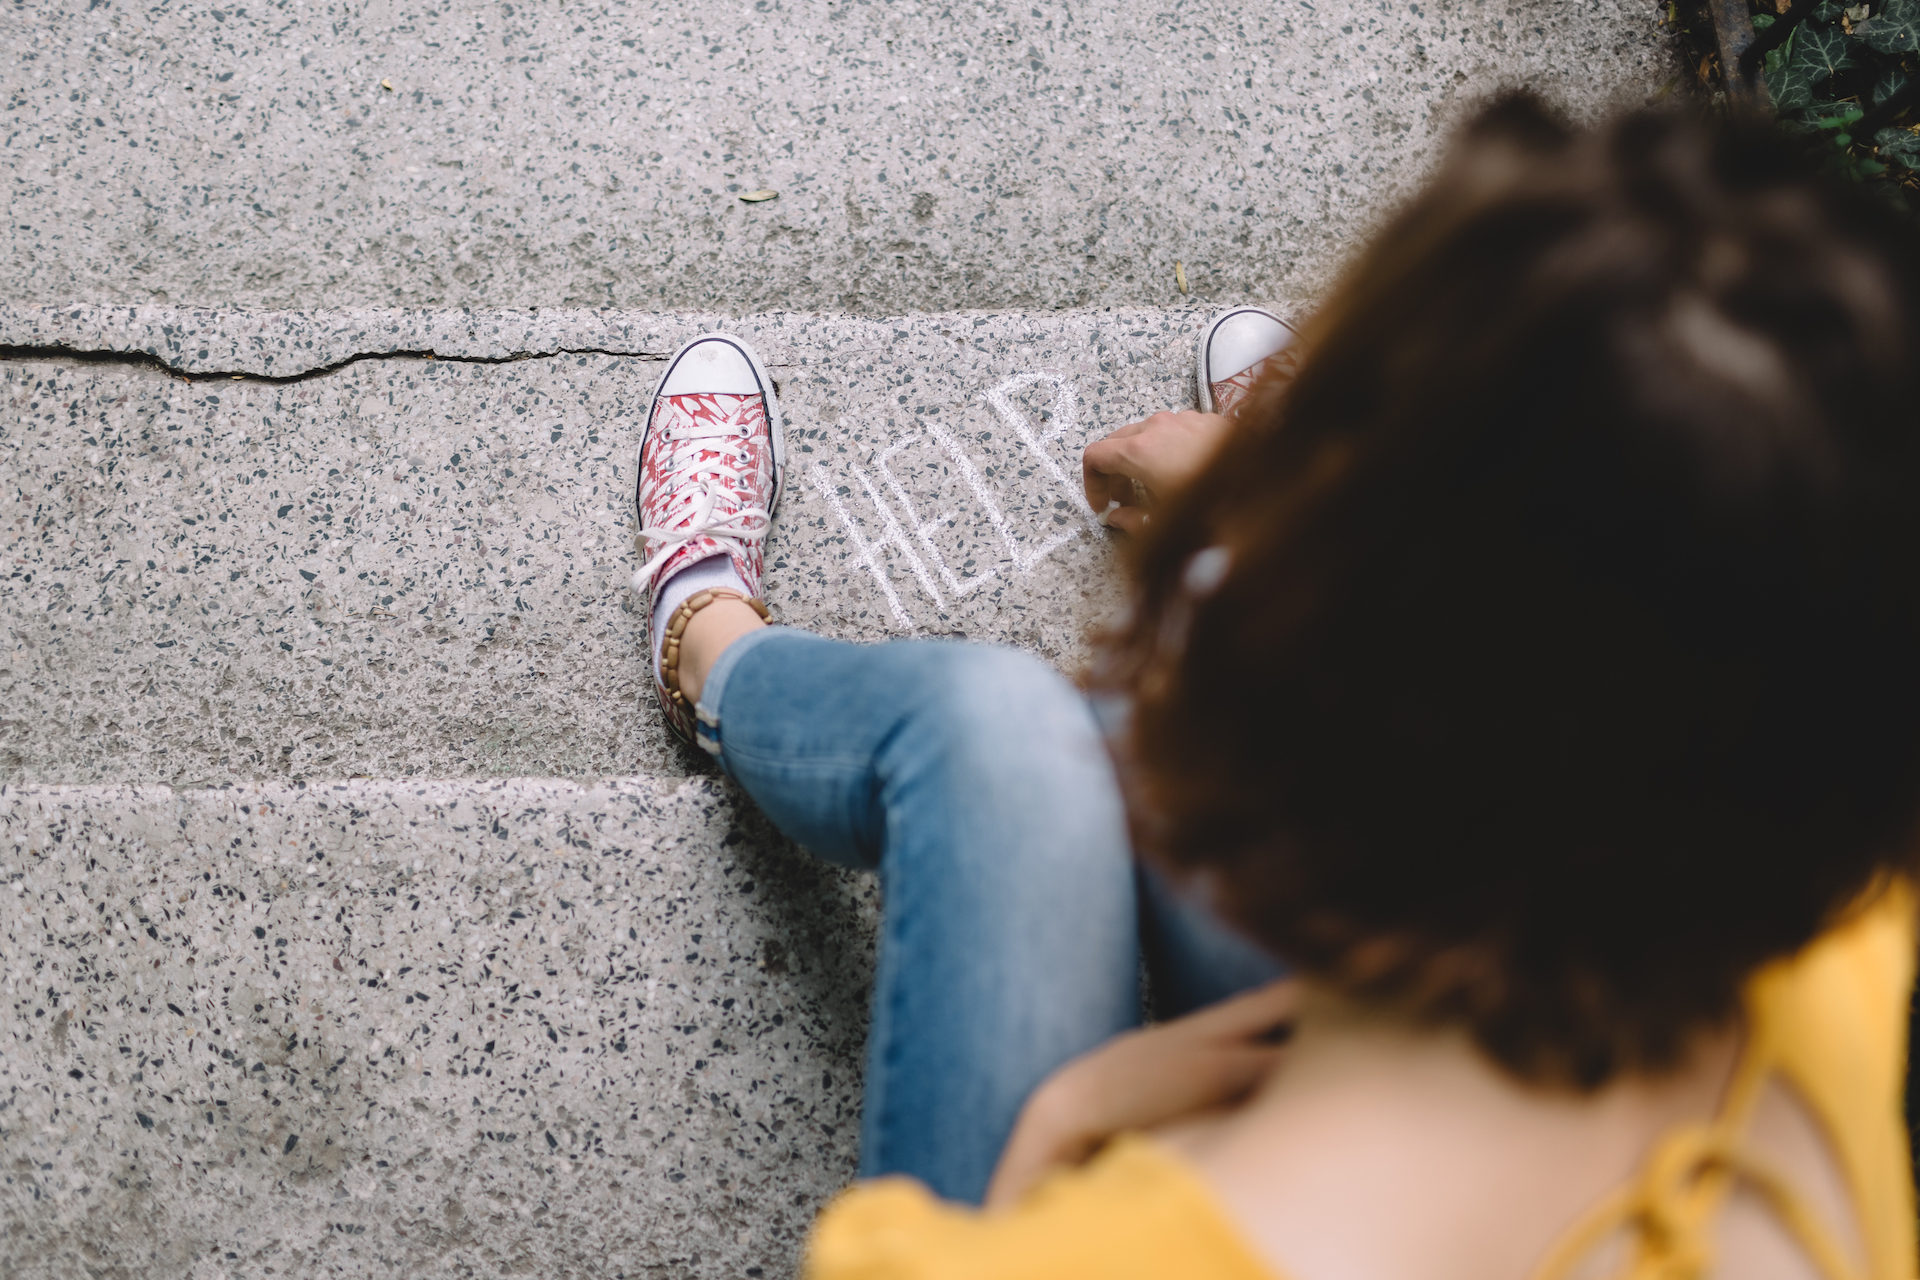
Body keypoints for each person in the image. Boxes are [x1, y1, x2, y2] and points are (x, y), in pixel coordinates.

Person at [632, 95, 1920, 1279]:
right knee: (1031, 736)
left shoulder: (1052, 1261)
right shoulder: (1836, 914)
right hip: (1472, 1022)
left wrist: (1059, 1134)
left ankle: (707, 636)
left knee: (1000, 732)